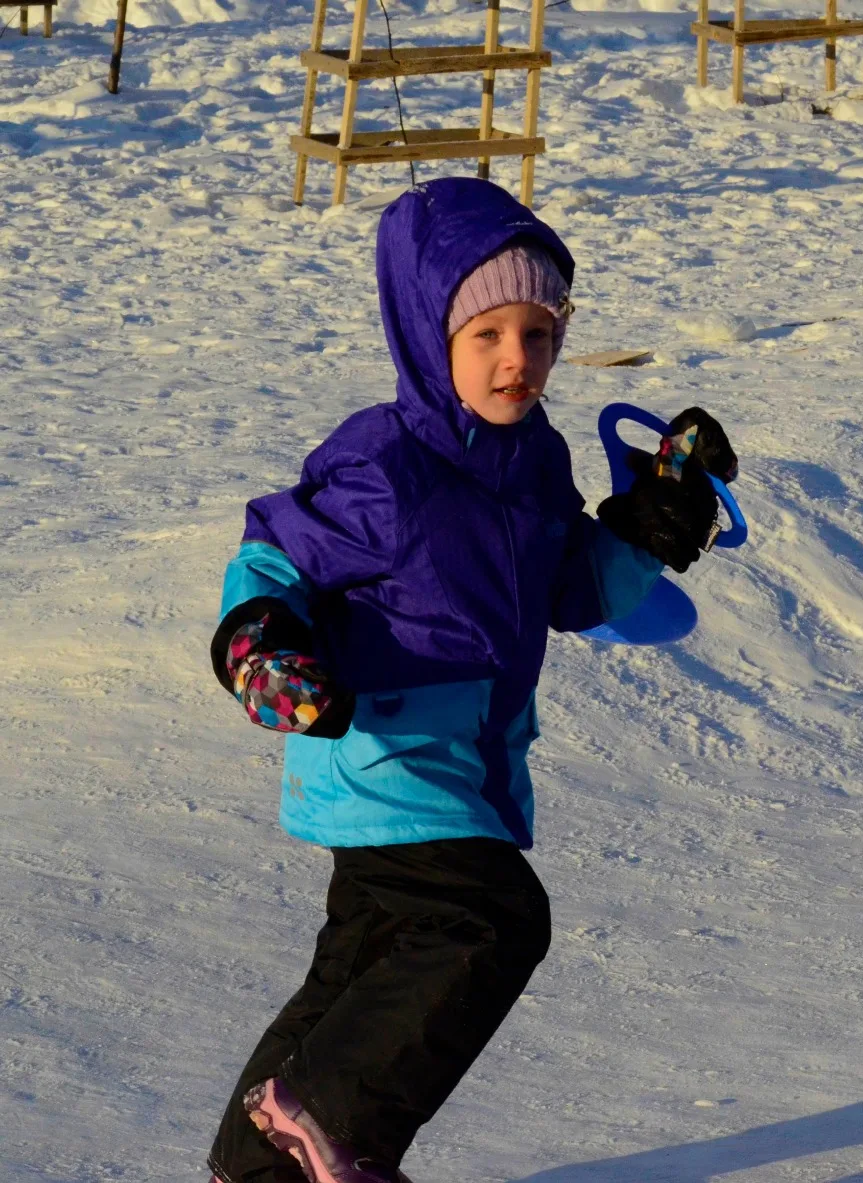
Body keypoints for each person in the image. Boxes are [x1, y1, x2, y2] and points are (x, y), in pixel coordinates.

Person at [206, 177, 737, 1183]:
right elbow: (273, 554)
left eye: (539, 334)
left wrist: (650, 528)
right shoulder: (383, 461)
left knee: (368, 961)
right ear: (426, 333)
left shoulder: (532, 463)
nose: (518, 360)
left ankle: (259, 1165)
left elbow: (569, 588)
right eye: (487, 333)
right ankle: (335, 1131)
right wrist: (260, 641)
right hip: (384, 753)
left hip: (468, 765)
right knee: (491, 921)